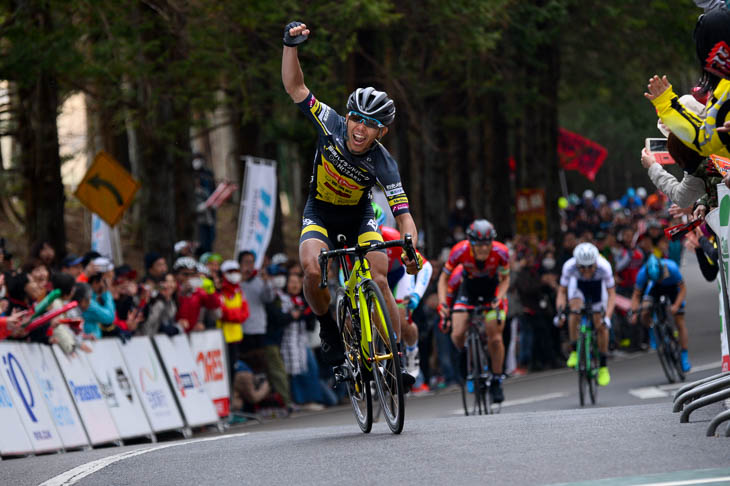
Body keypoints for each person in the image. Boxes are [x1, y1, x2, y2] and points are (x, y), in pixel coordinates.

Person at [281, 21, 421, 386]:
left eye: (371, 124)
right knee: (312, 271)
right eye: (357, 118)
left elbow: (404, 215)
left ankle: (397, 360)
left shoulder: (383, 161)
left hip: (360, 218)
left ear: (381, 132)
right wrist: (290, 46)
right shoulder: (329, 123)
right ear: (347, 116)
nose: (360, 128)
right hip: (320, 213)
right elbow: (296, 87)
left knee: (379, 277)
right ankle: (328, 326)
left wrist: (409, 246)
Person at [437, 219, 510, 403]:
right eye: (479, 245)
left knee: (495, 337)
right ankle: (465, 355)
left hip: (492, 291)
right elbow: (443, 280)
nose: (484, 249)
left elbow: (505, 279)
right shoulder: (459, 250)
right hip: (468, 290)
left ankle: (496, 379)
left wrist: (499, 297)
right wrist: (443, 303)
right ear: (471, 243)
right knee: (457, 333)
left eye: (487, 244)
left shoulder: (501, 251)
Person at [555, 242, 615, 386]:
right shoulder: (569, 267)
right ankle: (575, 350)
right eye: (582, 267)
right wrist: (560, 313)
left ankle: (603, 366)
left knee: (600, 324)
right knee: (574, 310)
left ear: (595, 262)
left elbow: (611, 295)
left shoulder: (604, 266)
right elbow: (562, 292)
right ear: (577, 263)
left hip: (597, 289)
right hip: (579, 287)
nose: (587, 270)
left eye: (590, 267)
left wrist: (607, 317)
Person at [629, 255, 690, 371]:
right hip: (655, 288)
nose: (659, 280)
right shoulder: (643, 273)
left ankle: (684, 355)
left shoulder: (672, 267)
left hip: (673, 288)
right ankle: (653, 330)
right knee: (645, 312)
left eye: (660, 277)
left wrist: (676, 306)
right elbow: (636, 295)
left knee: (679, 321)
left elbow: (683, 289)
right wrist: (634, 312)